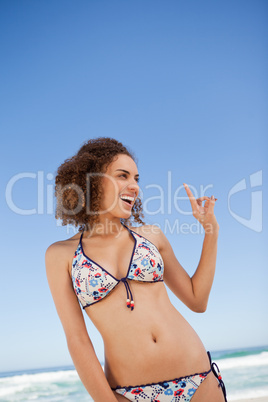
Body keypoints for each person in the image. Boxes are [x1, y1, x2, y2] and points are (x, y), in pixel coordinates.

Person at [45, 137, 227, 402]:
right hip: (130, 393)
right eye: (123, 175)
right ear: (92, 181)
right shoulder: (61, 254)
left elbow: (197, 300)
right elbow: (78, 340)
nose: (135, 187)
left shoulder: (152, 236)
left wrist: (211, 231)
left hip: (198, 379)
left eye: (137, 179)